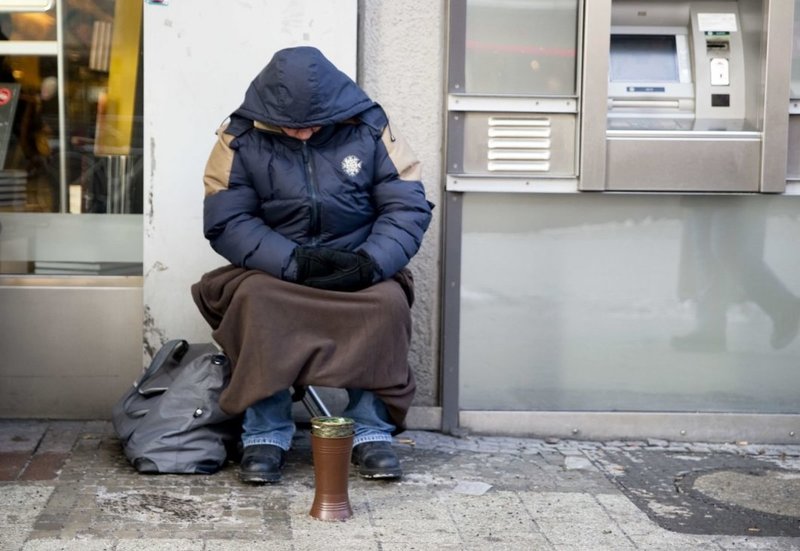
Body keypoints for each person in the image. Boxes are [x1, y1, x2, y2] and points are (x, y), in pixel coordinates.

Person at [191, 46, 433, 484]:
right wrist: (292, 262)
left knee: (387, 303)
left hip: (359, 264)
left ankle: (371, 429)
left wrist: (369, 263)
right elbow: (227, 219)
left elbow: (406, 207)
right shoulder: (239, 136)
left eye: (312, 125)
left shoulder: (371, 128)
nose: (302, 134)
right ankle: (265, 431)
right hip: (279, 269)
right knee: (255, 300)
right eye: (290, 126)